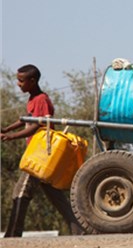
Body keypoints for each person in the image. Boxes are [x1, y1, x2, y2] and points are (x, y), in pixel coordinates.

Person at [1, 64, 83, 237]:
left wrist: (13, 137)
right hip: (41, 154)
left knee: (21, 192)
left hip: (40, 155)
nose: (18, 84)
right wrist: (7, 129)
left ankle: (13, 234)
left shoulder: (41, 100)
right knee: (56, 196)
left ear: (32, 81)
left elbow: (39, 125)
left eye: (21, 81)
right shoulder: (32, 98)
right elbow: (26, 119)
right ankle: (79, 231)